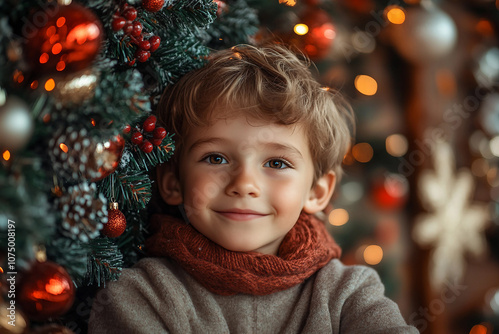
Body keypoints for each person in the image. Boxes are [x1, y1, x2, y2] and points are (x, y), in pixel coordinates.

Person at [89, 43, 418, 333]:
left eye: (276, 163)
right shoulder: (141, 296)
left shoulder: (349, 293)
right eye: (215, 158)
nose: (244, 184)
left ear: (316, 192)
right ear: (173, 182)